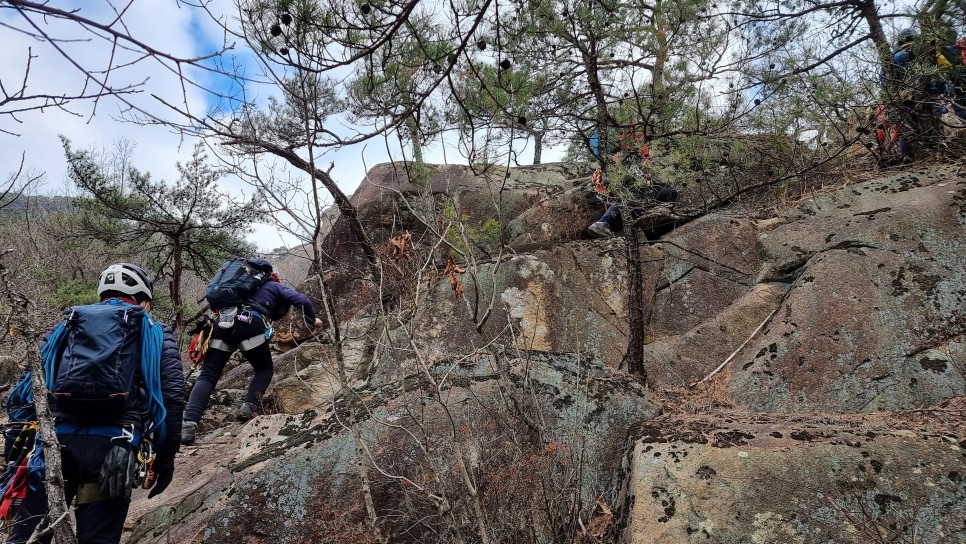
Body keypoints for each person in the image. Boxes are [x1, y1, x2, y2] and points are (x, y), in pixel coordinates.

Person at [3, 263, 184, 544]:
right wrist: (166, 458)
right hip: (114, 447)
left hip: (55, 442)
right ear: (144, 299)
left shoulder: (67, 325)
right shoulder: (154, 330)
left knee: (28, 536)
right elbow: (171, 397)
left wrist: (14, 452)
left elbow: (30, 387)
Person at [181, 262, 321, 444]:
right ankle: (249, 406)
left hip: (221, 324)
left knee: (208, 376)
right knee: (263, 369)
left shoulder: (234, 288)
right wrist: (312, 320)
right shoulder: (273, 285)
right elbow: (301, 301)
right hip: (250, 324)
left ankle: (189, 425)